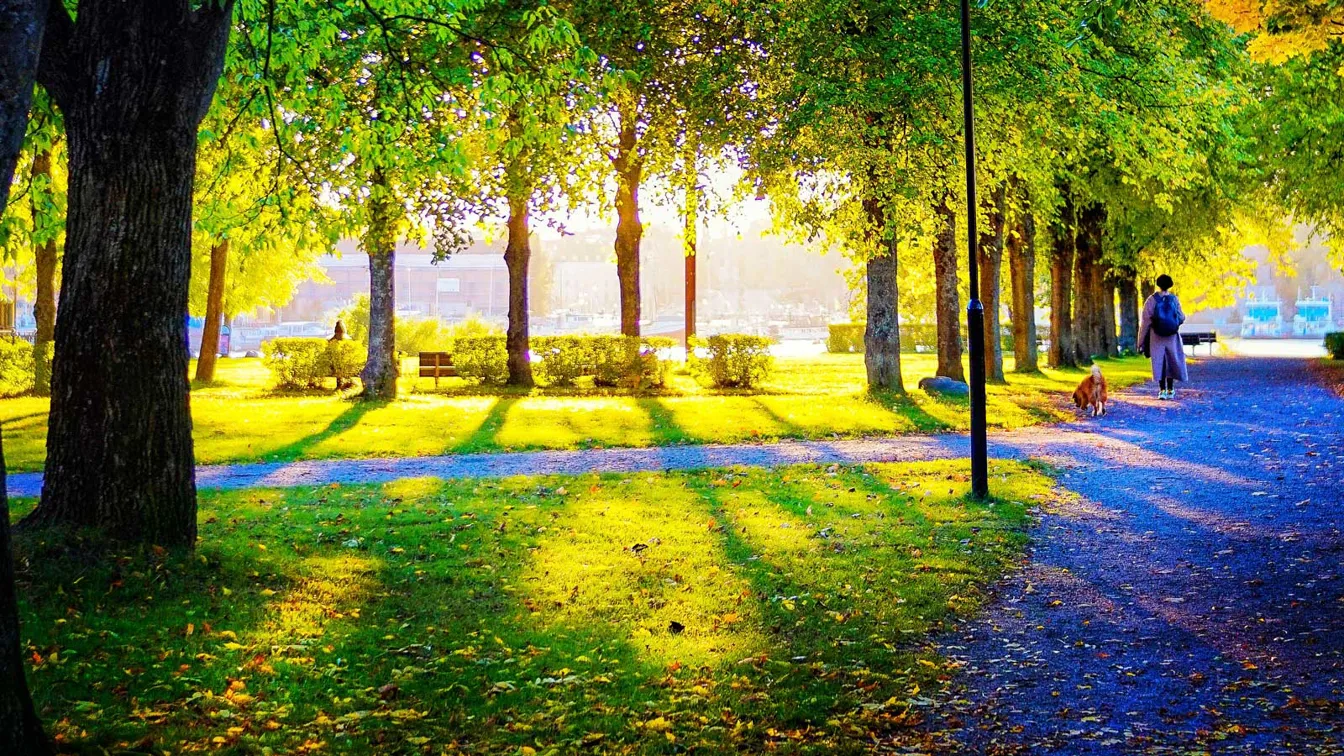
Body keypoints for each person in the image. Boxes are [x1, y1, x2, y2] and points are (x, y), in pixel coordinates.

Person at [1138, 274, 1188, 400]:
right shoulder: (1174, 299)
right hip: (1171, 336)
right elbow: (1181, 317)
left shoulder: (1151, 300)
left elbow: (1145, 322)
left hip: (1156, 336)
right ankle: (1171, 389)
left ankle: (1162, 390)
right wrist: (1173, 323)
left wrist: (1140, 341)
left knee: (1159, 361)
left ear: (1158, 284)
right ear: (1170, 285)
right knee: (1171, 360)